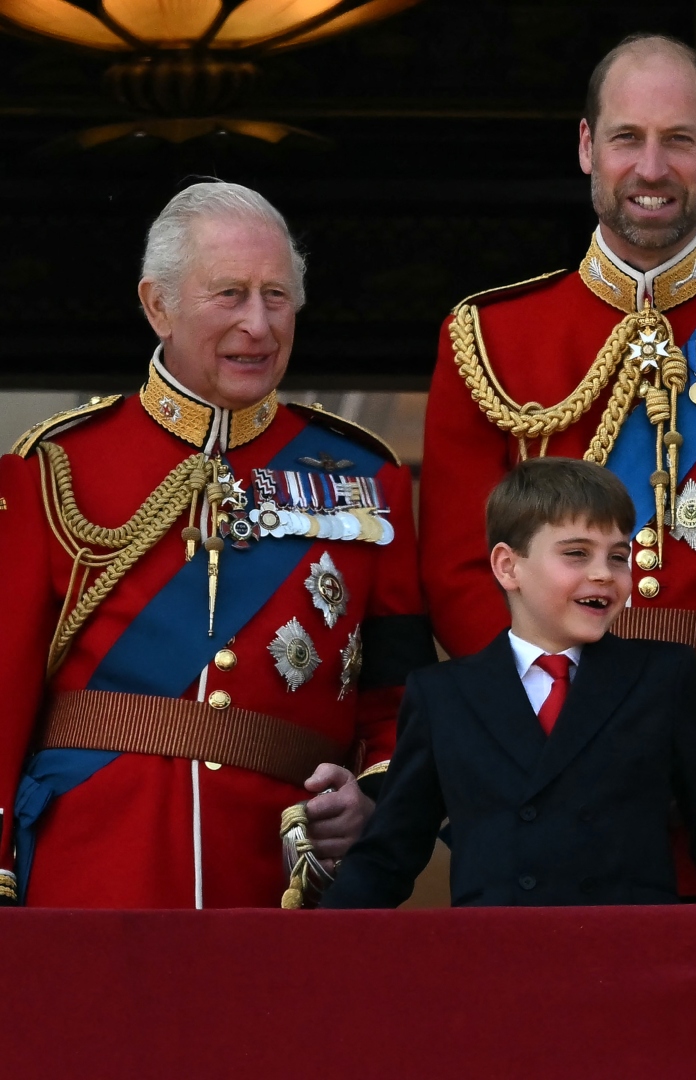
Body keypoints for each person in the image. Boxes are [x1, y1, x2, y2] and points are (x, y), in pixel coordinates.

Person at [421, 32, 696, 742]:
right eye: (627, 138)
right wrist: (544, 704)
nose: (652, 168)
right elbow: (460, 569)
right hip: (545, 751)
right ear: (586, 147)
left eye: (680, 140)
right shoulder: (488, 337)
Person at [0, 181, 434, 908]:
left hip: (275, 886)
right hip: (91, 876)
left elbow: (399, 703)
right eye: (229, 294)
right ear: (157, 305)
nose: (259, 326)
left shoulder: (369, 477)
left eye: (276, 296)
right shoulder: (57, 467)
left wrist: (373, 804)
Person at [324, 458, 696, 907]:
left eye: (618, 556)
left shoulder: (665, 676)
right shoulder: (444, 695)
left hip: (632, 956)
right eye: (577, 553)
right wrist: (319, 946)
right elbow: (391, 851)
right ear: (508, 567)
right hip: (502, 957)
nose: (603, 573)